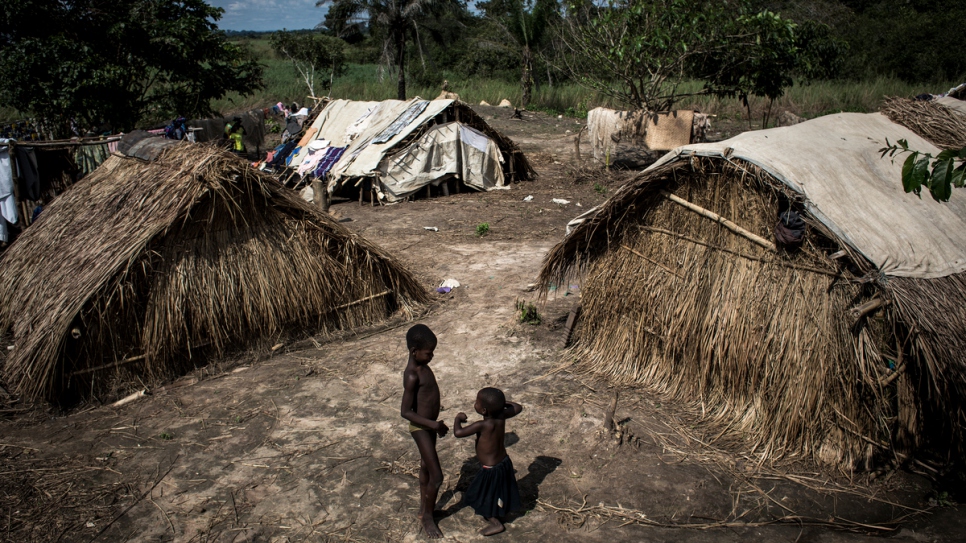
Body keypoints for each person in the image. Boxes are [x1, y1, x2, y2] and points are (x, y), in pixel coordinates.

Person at [453, 387, 523, 536]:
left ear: (484, 410)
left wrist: (458, 419)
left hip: (490, 469)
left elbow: (458, 433)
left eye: (477, 402)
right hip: (503, 462)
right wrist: (501, 404)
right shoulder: (502, 415)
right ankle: (501, 509)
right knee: (499, 490)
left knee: (483, 495)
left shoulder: (482, 425)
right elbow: (518, 407)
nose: (475, 403)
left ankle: (495, 522)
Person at [400, 324, 449, 539]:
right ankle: (428, 517)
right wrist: (433, 425)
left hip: (428, 425)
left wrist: (434, 424)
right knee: (437, 475)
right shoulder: (412, 375)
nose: (432, 356)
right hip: (420, 427)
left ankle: (423, 508)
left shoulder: (423, 367)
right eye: (429, 353)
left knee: (425, 466)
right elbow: (405, 412)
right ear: (414, 351)